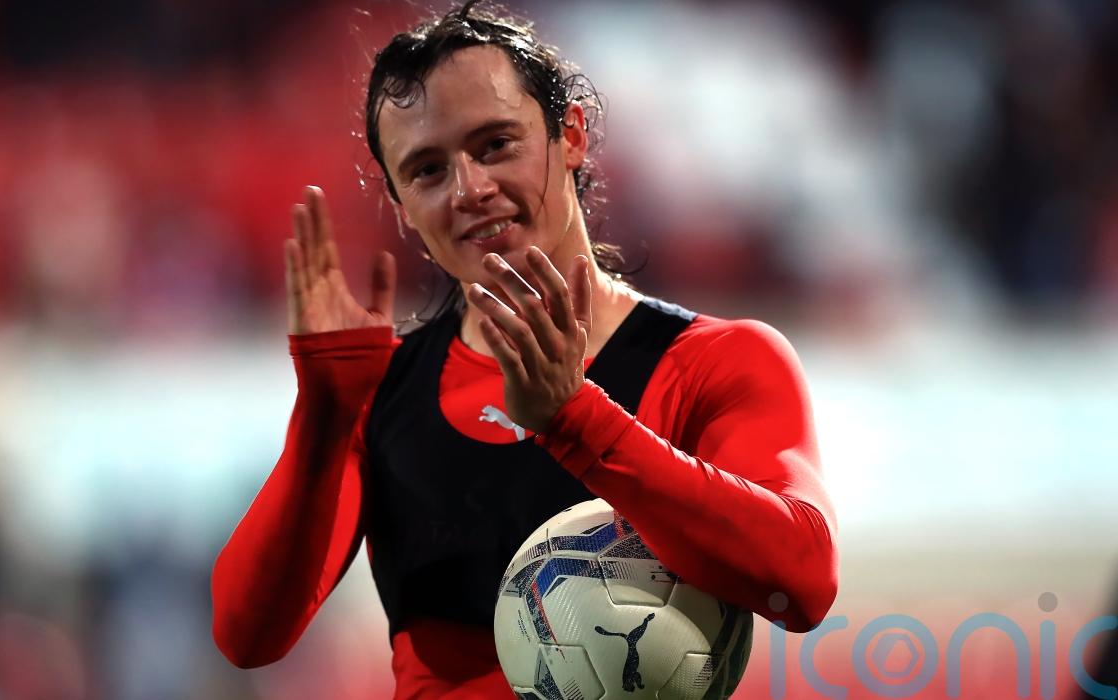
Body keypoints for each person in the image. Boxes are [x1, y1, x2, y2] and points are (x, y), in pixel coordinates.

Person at [210, 2, 839, 697]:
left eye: (495, 145)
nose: (470, 189)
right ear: (401, 205)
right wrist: (323, 421)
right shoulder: (380, 393)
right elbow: (248, 636)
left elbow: (803, 584)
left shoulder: (716, 361)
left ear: (570, 135)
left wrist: (577, 421)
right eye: (427, 170)